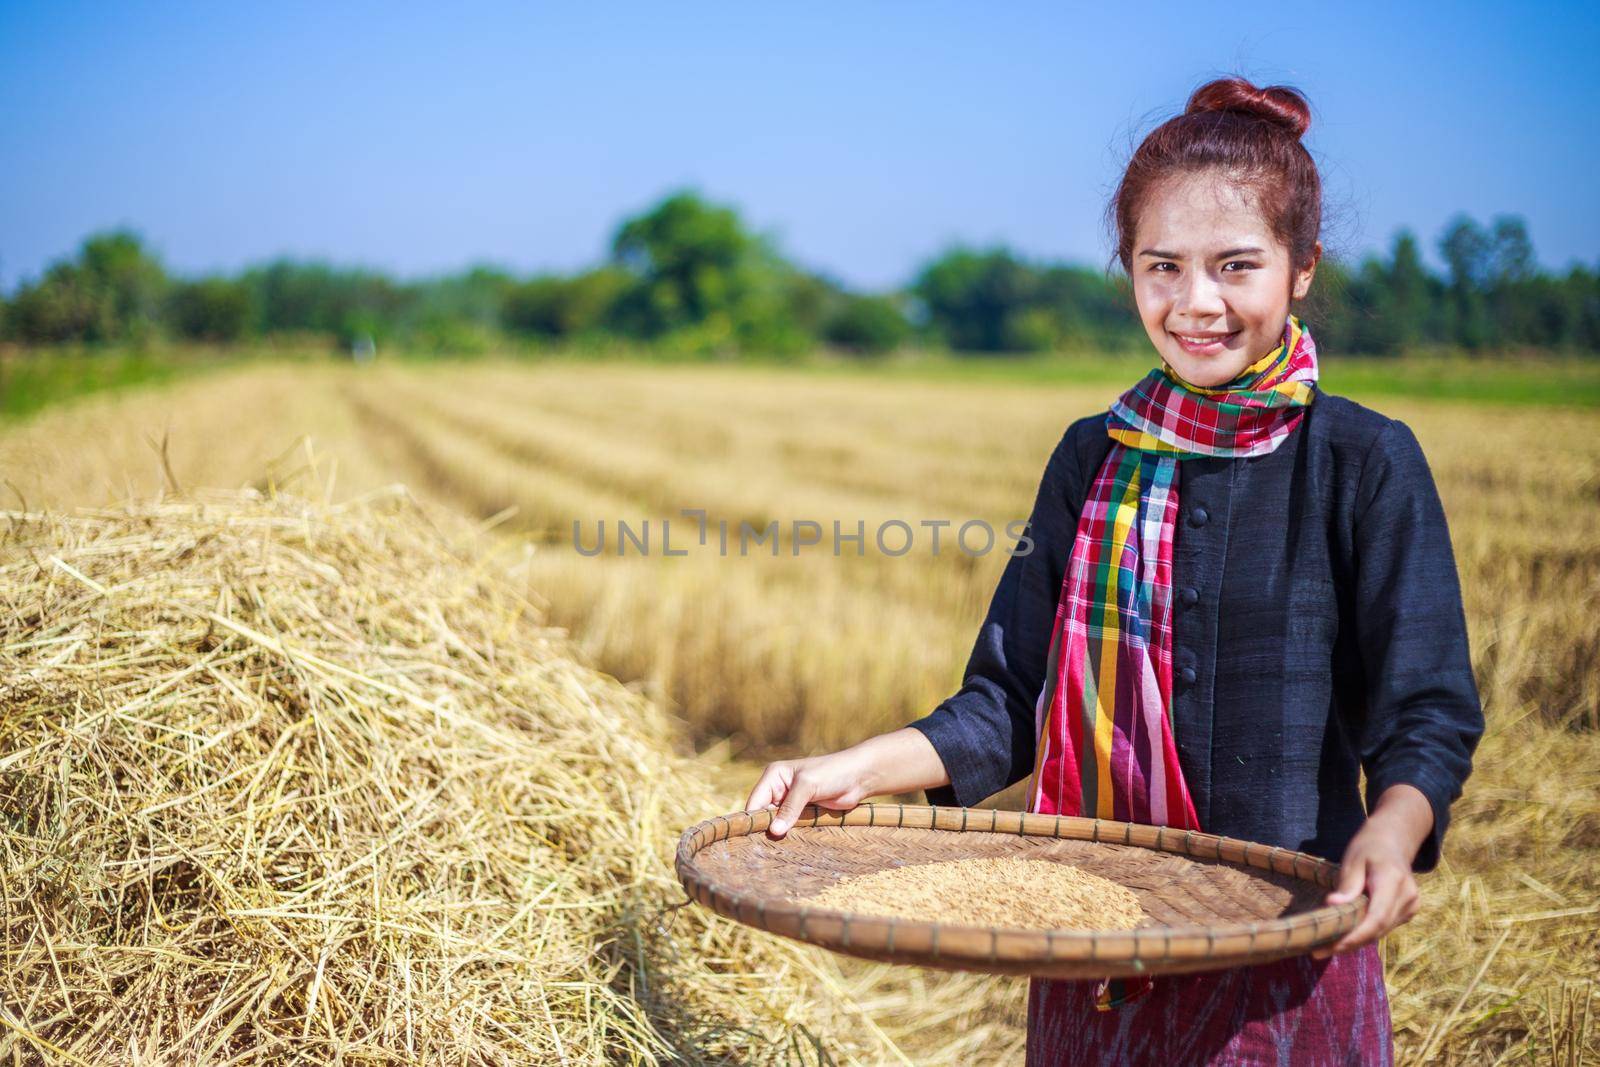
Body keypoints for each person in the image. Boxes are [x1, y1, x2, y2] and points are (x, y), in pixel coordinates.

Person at [743, 75, 1484, 1066]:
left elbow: (1426, 708)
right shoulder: (1093, 455)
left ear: (1302, 267)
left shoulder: (1360, 460)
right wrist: (855, 770)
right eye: (1161, 266)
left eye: (1235, 266)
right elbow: (1009, 699)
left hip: (1284, 958)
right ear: (1127, 268)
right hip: (1096, 957)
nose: (1195, 303)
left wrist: (1392, 833)